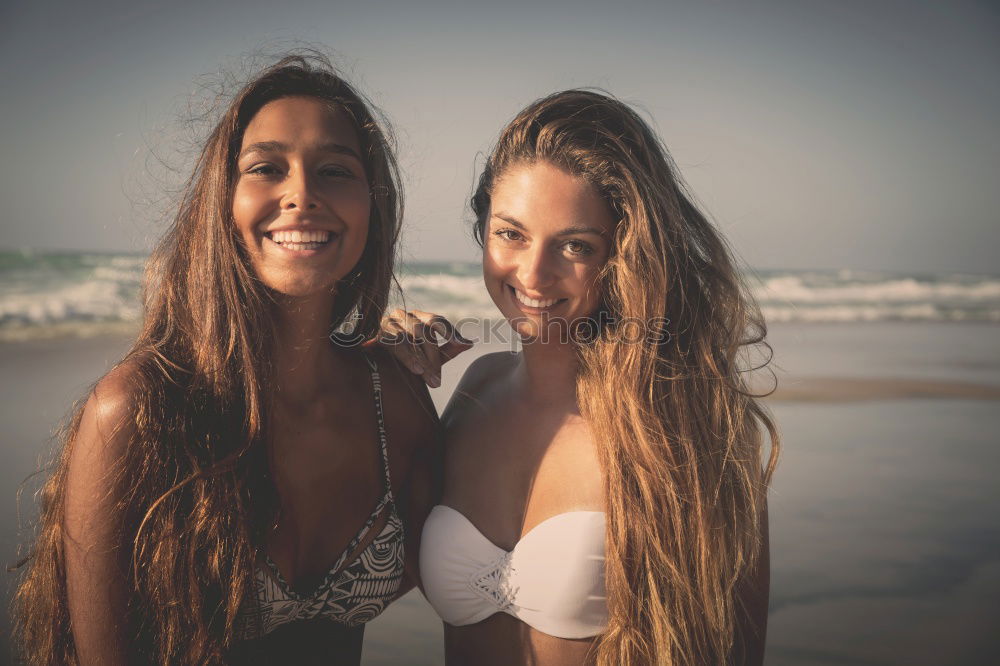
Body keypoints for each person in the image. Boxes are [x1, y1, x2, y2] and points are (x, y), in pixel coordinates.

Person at [12, 54, 438, 665]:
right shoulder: (137, 411)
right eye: (267, 168)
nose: (302, 195)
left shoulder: (394, 399)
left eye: (335, 171)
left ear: (374, 206)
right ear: (223, 201)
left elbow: (477, 552)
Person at [383, 90, 780, 665]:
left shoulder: (689, 425)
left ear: (625, 254)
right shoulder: (475, 388)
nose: (533, 273)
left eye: (575, 244)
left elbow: (739, 649)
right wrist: (382, 381)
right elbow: (367, 574)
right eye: (510, 234)